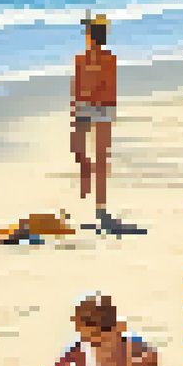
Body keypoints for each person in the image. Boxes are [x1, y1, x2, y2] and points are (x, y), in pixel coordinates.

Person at [24, 293, 161, 366]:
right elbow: (65, 362)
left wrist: (129, 364)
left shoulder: (126, 340)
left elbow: (152, 358)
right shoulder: (83, 343)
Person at [73, 15, 121, 232]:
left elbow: (109, 89)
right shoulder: (82, 59)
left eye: (88, 33)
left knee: (100, 160)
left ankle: (100, 207)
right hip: (89, 108)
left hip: (100, 108)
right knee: (84, 158)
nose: (86, 37)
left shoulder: (107, 59)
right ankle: (88, 204)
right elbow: (78, 88)